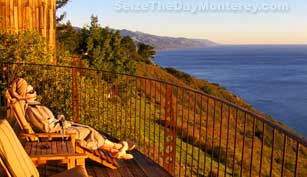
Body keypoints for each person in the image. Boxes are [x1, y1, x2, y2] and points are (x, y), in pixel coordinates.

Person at [6, 78, 135, 160]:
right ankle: (118, 147)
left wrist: (59, 119)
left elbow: (48, 122)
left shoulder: (33, 106)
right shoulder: (31, 110)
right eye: (31, 90)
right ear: (25, 96)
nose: (34, 91)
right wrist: (62, 123)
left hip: (58, 130)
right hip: (58, 135)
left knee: (88, 130)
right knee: (90, 131)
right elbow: (47, 127)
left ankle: (117, 150)